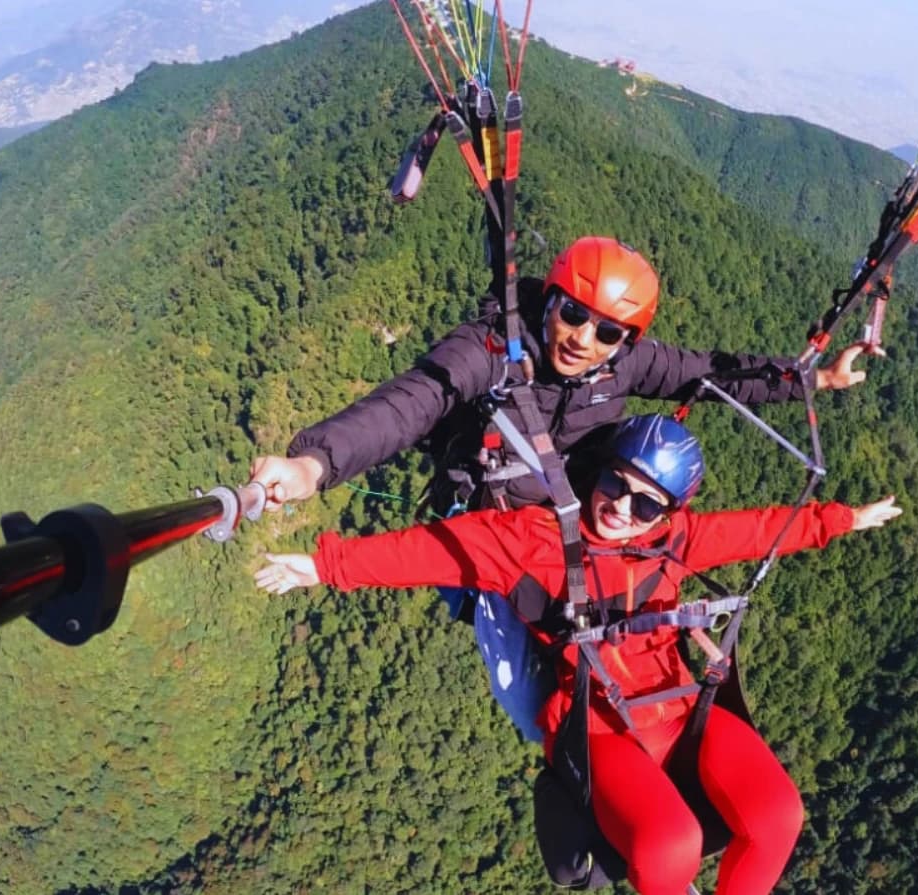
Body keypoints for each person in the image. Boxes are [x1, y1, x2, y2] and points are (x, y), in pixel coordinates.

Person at [250, 236, 875, 740]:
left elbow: (708, 375)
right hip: (502, 538)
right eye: (573, 314)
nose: (583, 339)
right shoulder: (490, 351)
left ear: (626, 340)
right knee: (529, 705)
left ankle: (641, 732)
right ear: (549, 301)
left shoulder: (624, 362)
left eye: (607, 332)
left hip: (590, 520)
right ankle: (573, 756)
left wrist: (811, 380)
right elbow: (412, 403)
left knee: (621, 632)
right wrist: (315, 464)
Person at [255, 415, 902, 895]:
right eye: (616, 483)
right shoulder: (533, 541)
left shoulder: (675, 540)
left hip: (679, 709)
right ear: (601, 471)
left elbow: (761, 531)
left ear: (668, 513)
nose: (621, 507)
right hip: (596, 726)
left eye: (645, 503)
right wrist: (324, 566)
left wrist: (843, 518)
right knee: (670, 848)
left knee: (778, 815)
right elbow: (433, 551)